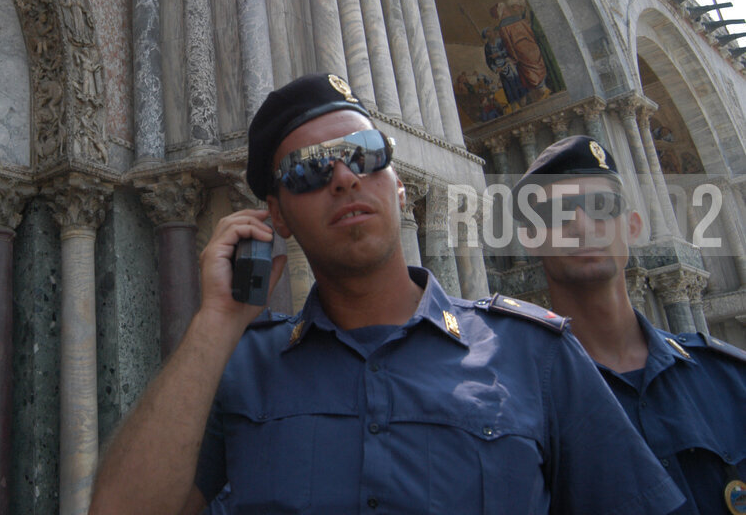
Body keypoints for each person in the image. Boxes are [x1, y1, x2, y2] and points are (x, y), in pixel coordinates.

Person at [89, 73, 685, 515]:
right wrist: (217, 322)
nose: (344, 177)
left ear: (399, 188)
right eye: (308, 170)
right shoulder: (240, 367)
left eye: (364, 155)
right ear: (277, 216)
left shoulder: (535, 353)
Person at [515, 135, 746, 515]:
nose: (582, 224)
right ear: (530, 239)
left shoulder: (729, 379)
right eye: (557, 213)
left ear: (633, 225)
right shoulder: (519, 404)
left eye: (602, 206)